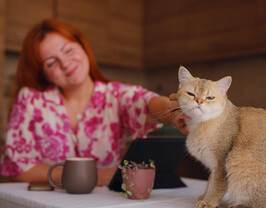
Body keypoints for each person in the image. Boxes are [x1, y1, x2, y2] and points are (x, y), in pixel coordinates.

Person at [0, 19, 188, 186]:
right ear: (42, 73)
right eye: (51, 63)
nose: (65, 63)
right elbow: (19, 168)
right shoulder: (31, 100)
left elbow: (146, 102)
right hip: (49, 206)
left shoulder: (114, 95)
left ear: (83, 46)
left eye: (68, 50)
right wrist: (93, 177)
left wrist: (174, 111)